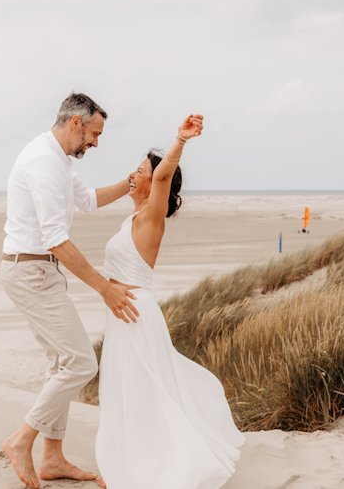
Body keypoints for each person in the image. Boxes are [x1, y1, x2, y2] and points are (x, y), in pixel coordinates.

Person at [95, 114, 244, 489]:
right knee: (124, 393)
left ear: (155, 181)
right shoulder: (131, 218)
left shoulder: (151, 216)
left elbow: (163, 176)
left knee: (142, 393)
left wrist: (180, 140)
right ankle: (125, 466)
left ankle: (151, 470)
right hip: (121, 314)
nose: (134, 173)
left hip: (135, 314)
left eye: (141, 169)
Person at [0, 92, 140, 489]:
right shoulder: (43, 161)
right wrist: (105, 289)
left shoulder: (57, 159)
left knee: (61, 364)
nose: (96, 142)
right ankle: (20, 441)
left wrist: (132, 183)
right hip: (30, 272)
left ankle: (52, 458)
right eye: (94, 133)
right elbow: (57, 240)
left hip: (37, 272)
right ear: (75, 123)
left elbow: (90, 200)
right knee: (81, 364)